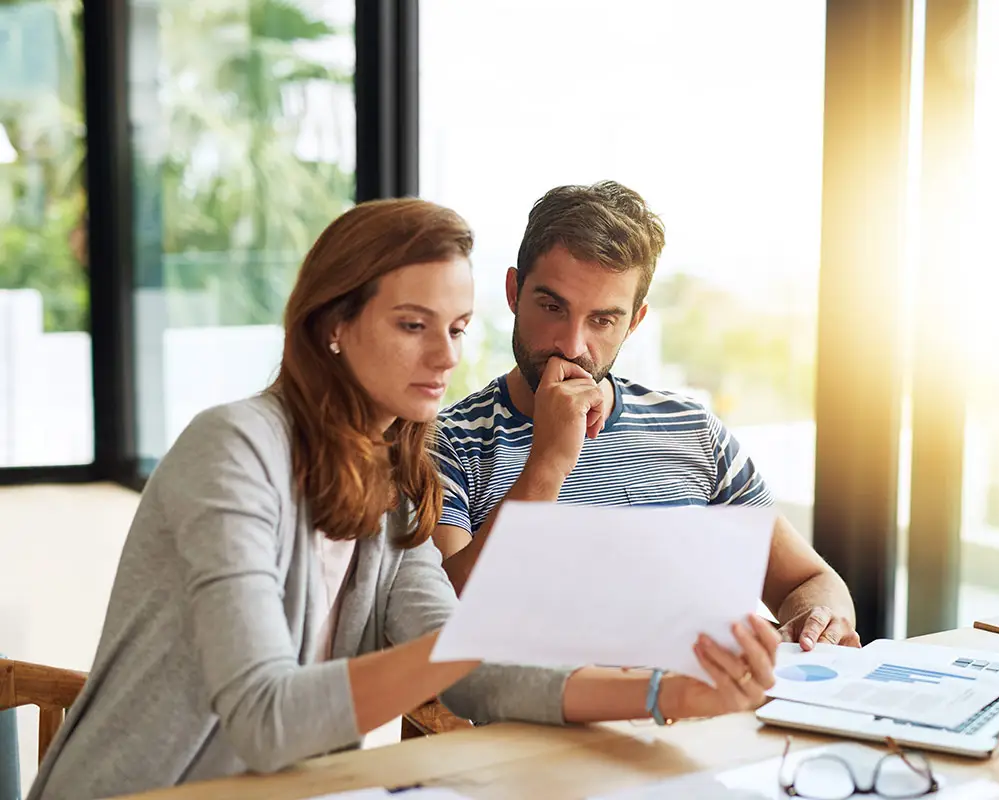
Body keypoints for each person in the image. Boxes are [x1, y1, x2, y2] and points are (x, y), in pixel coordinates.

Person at [28, 198, 781, 799]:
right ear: (334, 324)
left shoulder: (396, 478)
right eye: (413, 325)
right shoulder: (234, 448)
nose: (446, 357)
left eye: (456, 328)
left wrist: (670, 690)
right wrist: (495, 624)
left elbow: (473, 672)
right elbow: (266, 716)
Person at [432, 181, 859, 649]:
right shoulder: (447, 444)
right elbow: (441, 625)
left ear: (634, 322)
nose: (572, 345)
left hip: (699, 716)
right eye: (552, 307)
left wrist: (820, 621)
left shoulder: (694, 432)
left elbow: (810, 582)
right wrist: (549, 463)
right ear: (515, 292)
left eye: (603, 320)